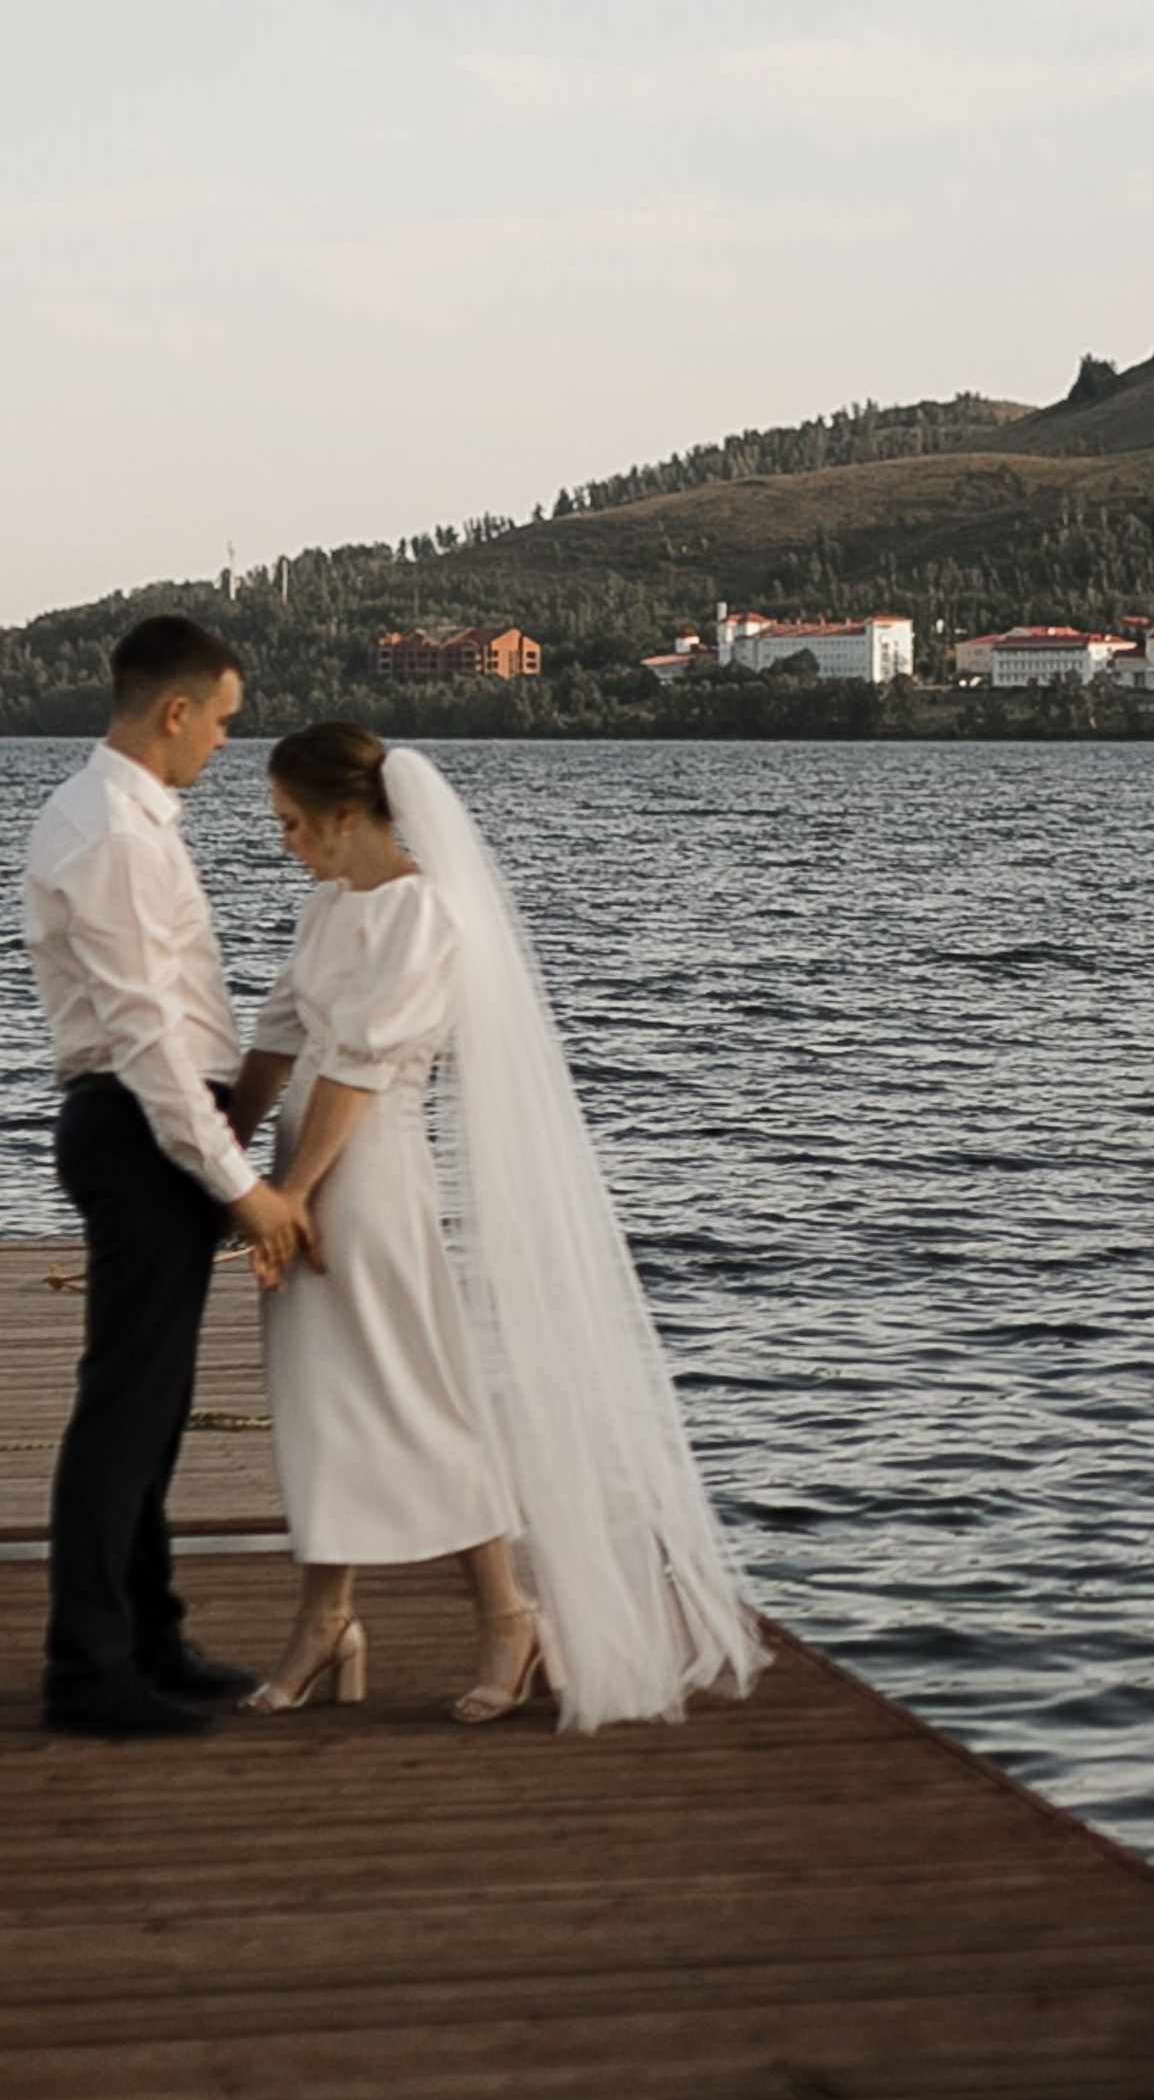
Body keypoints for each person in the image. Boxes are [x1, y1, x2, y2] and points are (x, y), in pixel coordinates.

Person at [230, 724, 765, 1731]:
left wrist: (294, 1194)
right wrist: (223, 1162)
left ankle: (504, 1616)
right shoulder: (329, 903)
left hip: (368, 1173)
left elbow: (357, 1070)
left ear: (348, 817)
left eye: (294, 824)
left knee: (417, 1399)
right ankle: (327, 1616)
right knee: (322, 1402)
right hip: (301, 1166)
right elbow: (276, 1037)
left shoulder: (425, 914)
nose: (286, 843)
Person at [21, 615, 315, 1738]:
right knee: (124, 1406)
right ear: (175, 711)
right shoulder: (111, 834)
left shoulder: (128, 820)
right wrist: (238, 1180)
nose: (227, 746)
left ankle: (146, 1632)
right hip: (140, 1128)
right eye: (225, 723)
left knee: (154, 1402)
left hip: (155, 1123)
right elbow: (145, 1032)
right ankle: (88, 1671)